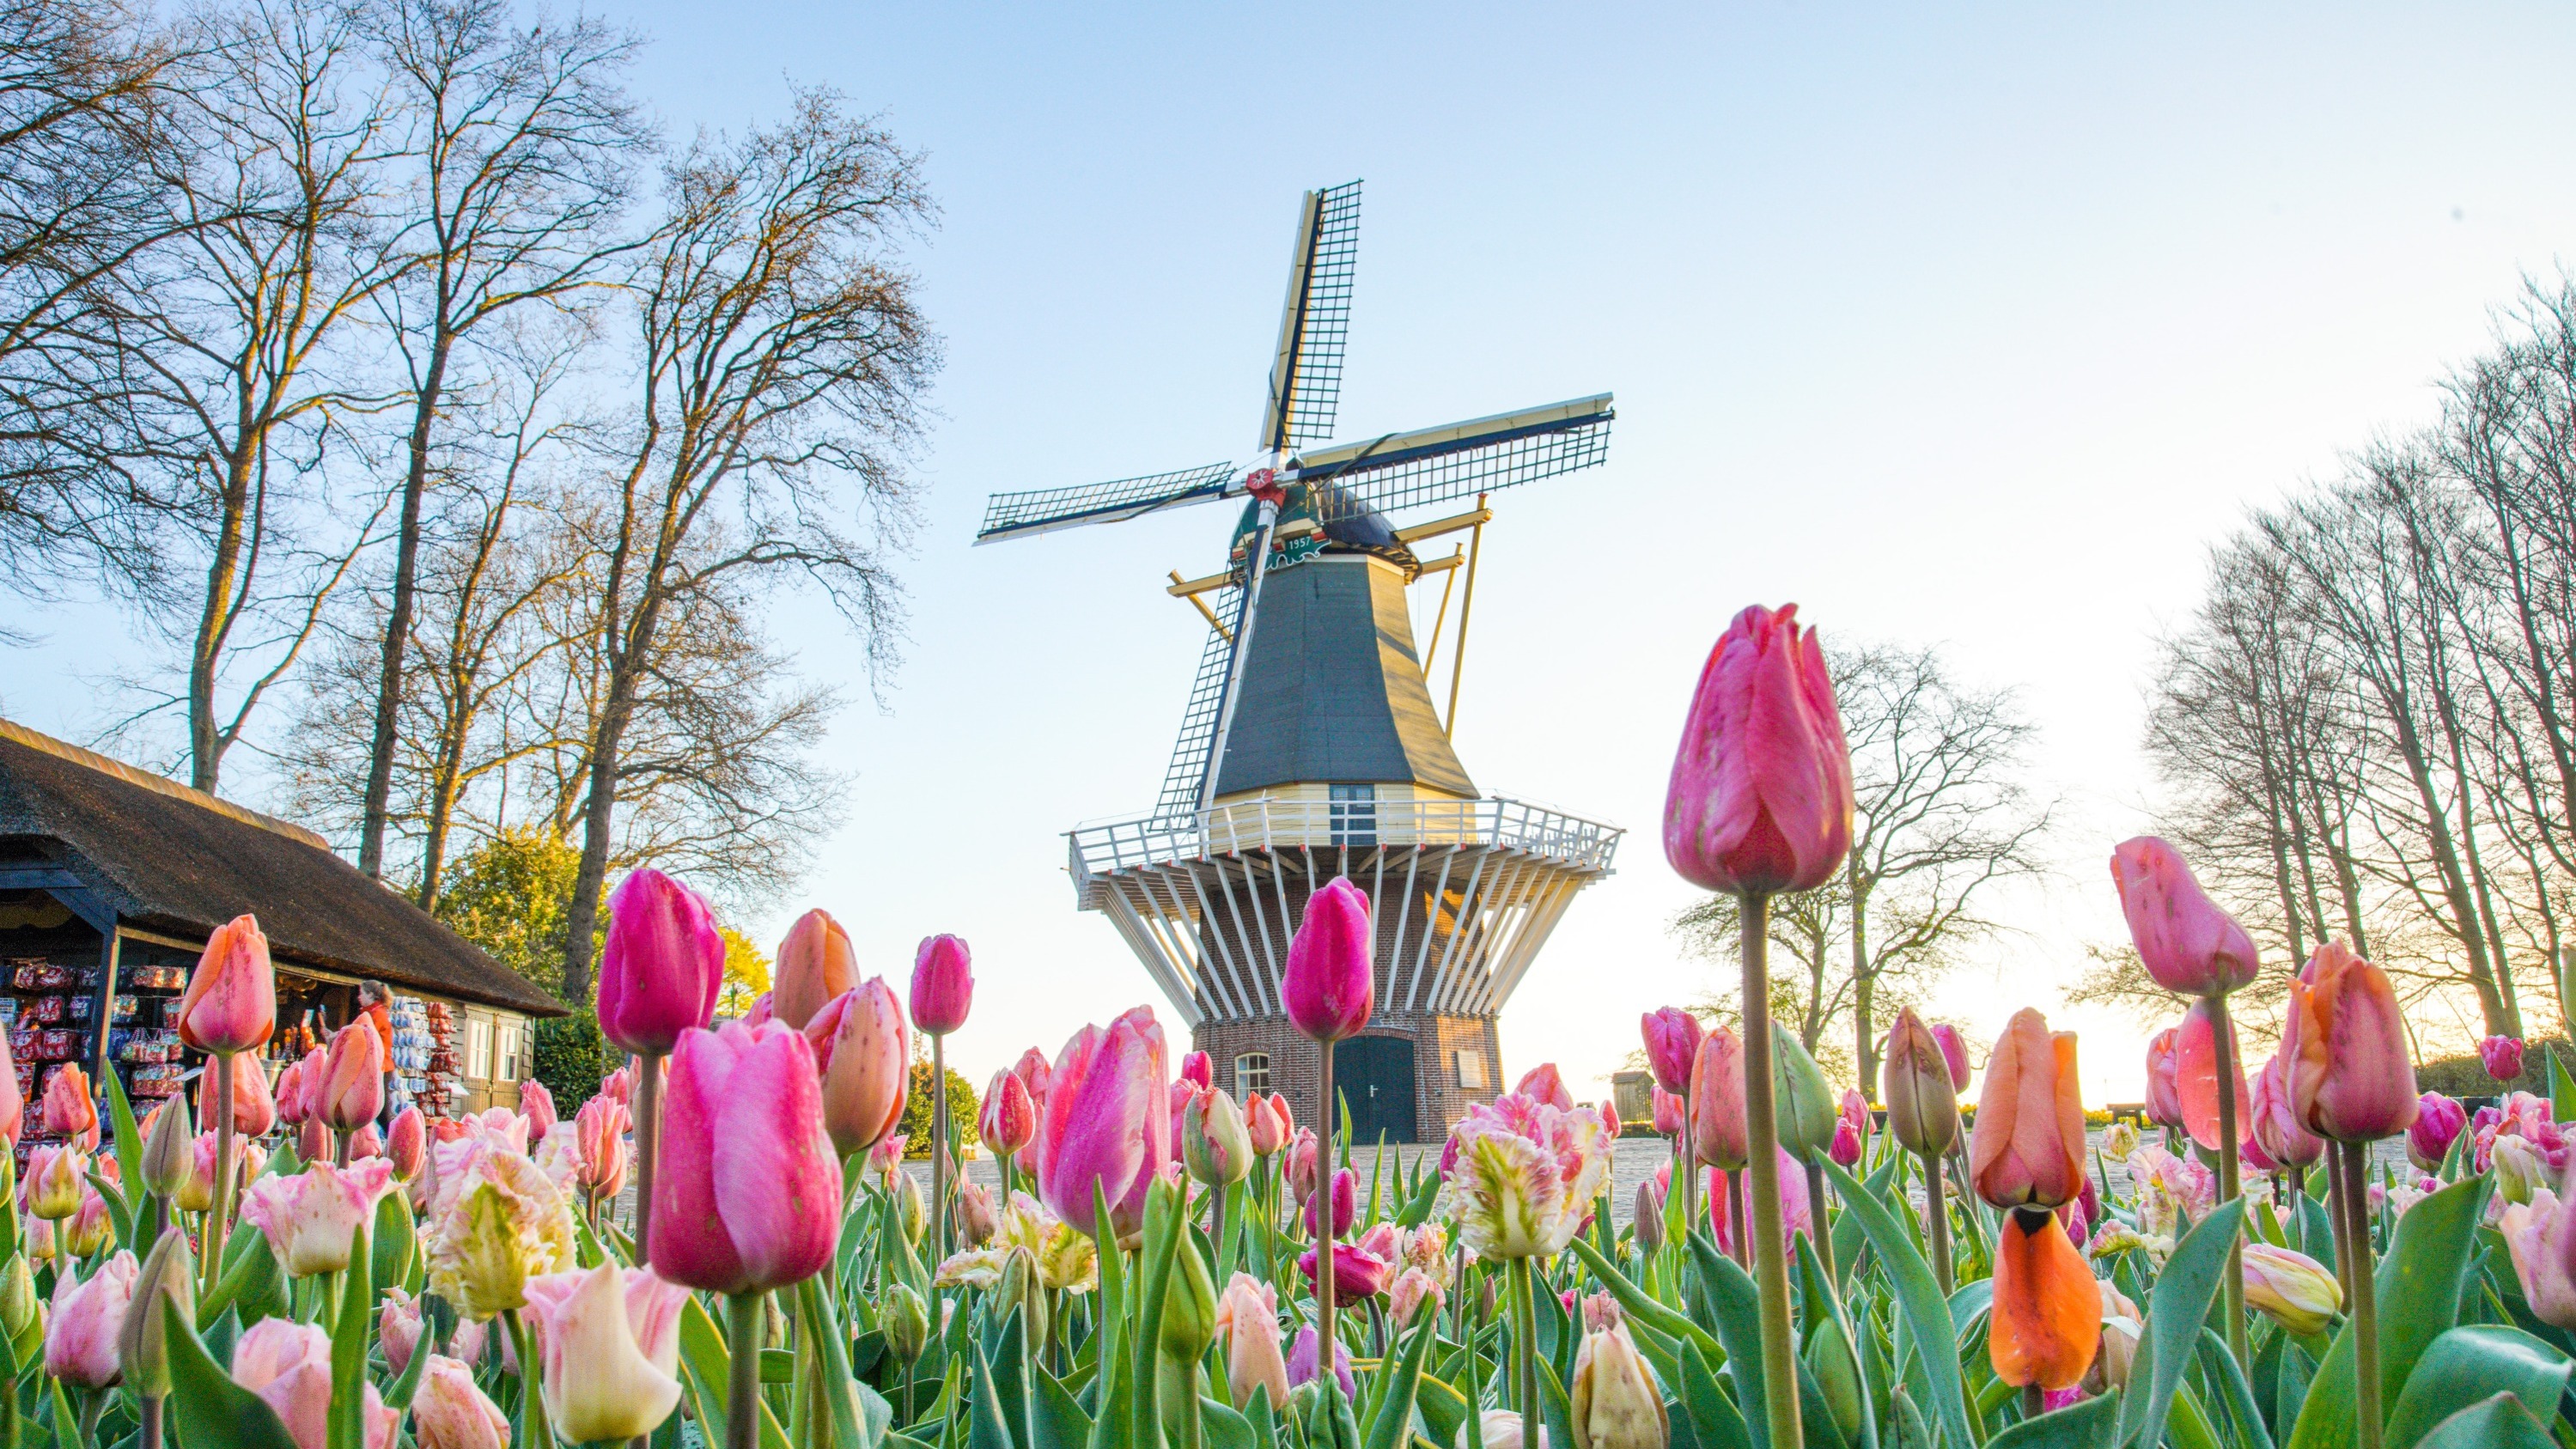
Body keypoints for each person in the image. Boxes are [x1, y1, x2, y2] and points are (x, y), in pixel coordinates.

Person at [357, 981, 396, 1129]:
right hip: (376, 1066)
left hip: (381, 1067)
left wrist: (338, 1035)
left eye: (361, 993)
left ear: (371, 995)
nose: (359, 997)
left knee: (382, 1112)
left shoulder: (377, 1014)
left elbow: (363, 1033)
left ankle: (395, 1136)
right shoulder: (371, 1013)